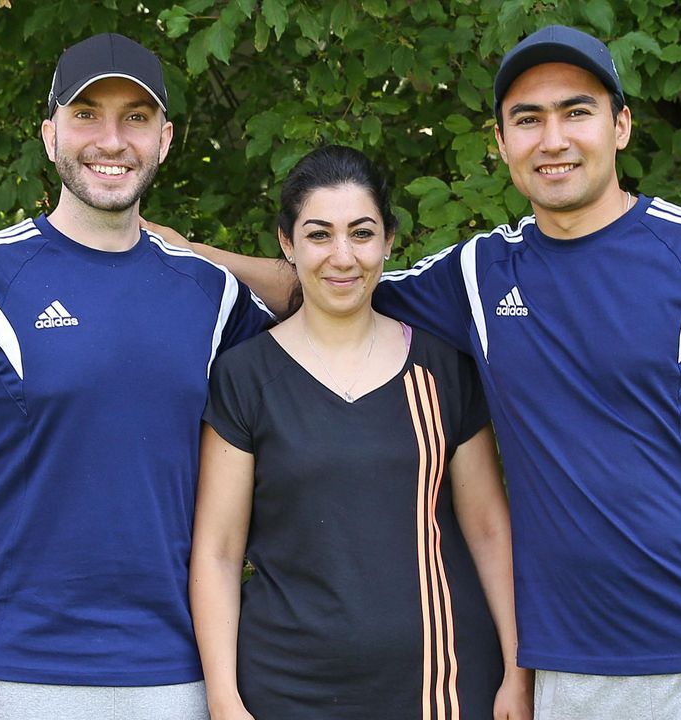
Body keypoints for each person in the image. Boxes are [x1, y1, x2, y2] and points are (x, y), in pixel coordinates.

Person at [163, 25, 681, 720]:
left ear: (621, 125)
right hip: (563, 664)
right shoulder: (483, 275)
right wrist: (182, 254)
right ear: (502, 142)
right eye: (527, 119)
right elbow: (339, 283)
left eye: (576, 112)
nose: (553, 140)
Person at [0, 33, 271, 720]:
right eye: (87, 114)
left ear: (166, 139)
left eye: (136, 118)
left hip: (178, 674)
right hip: (11, 671)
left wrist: (195, 249)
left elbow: (332, 299)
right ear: (49, 132)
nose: (111, 140)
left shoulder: (212, 295)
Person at [188, 145, 533, 719]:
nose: (342, 257)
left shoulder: (442, 368)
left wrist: (517, 671)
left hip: (441, 684)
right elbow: (219, 552)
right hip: (285, 690)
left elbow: (490, 531)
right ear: (287, 243)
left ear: (389, 242)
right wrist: (224, 697)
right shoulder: (245, 376)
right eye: (319, 234)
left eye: (362, 233)